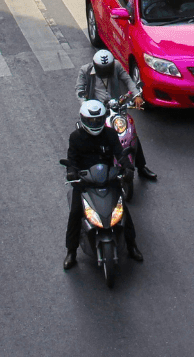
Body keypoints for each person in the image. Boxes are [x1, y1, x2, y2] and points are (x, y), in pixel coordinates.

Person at [64, 99, 141, 270]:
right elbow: (72, 160)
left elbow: (120, 154)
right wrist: (72, 172)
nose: (95, 123)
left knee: (123, 212)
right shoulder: (75, 137)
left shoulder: (110, 134)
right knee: (76, 212)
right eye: (91, 121)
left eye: (98, 120)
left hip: (108, 179)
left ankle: (132, 246)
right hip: (84, 182)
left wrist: (128, 168)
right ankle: (71, 252)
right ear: (83, 120)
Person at [75, 49, 156, 181]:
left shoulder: (117, 66)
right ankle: (83, 169)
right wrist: (86, 105)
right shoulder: (85, 70)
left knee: (130, 132)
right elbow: (79, 90)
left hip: (116, 107)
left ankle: (141, 167)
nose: (106, 72)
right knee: (87, 137)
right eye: (103, 69)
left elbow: (128, 80)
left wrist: (136, 96)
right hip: (96, 111)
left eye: (108, 68)